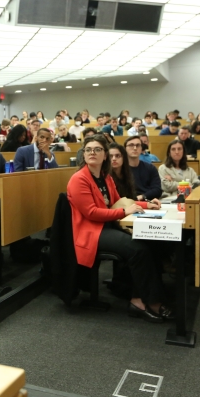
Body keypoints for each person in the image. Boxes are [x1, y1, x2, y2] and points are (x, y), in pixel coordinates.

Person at [67, 135, 171, 323]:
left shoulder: (105, 177)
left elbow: (119, 201)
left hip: (108, 226)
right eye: (88, 149)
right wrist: (124, 211)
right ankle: (141, 301)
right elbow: (92, 213)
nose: (92, 153)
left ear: (104, 155)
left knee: (151, 243)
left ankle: (144, 296)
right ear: (84, 154)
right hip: (92, 233)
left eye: (98, 149)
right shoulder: (78, 179)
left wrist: (147, 206)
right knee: (138, 249)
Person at [124, 136, 162, 201]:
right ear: (125, 149)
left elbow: (157, 190)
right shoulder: (120, 169)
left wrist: (143, 196)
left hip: (148, 202)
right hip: (128, 204)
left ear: (141, 148)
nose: (135, 148)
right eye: (131, 145)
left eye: (138, 145)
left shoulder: (150, 168)